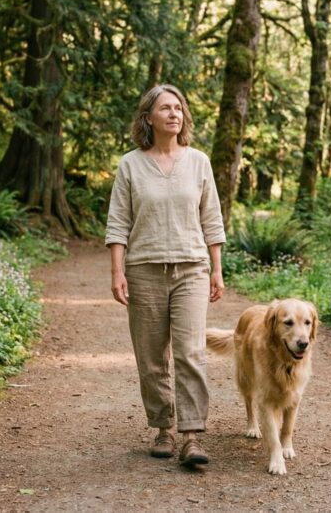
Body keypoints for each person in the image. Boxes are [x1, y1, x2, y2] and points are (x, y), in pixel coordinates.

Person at [105, 84, 226, 467]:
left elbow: (212, 219)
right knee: (151, 357)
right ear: (149, 118)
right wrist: (117, 271)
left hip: (191, 268)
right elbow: (118, 222)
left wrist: (217, 269)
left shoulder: (199, 162)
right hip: (144, 270)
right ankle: (163, 429)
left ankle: (192, 436)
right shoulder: (130, 164)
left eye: (179, 108)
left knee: (190, 352)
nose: (174, 114)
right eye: (165, 109)